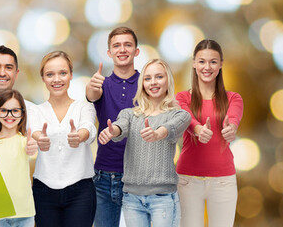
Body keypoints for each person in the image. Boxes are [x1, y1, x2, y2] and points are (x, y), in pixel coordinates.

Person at [98, 59, 190, 227]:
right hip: (132, 198)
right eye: (148, 78)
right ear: (142, 84)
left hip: (163, 197)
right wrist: (113, 131)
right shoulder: (130, 114)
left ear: (168, 80)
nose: (153, 82)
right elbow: (121, 126)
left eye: (159, 77)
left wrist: (158, 133)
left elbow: (172, 127)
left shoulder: (178, 114)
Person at [175, 39, 243, 227]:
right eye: (202, 61)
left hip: (223, 182)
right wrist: (197, 129)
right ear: (194, 63)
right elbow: (185, 117)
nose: (207, 67)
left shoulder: (233, 98)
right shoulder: (182, 98)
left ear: (221, 64)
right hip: (187, 181)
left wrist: (231, 129)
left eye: (213, 61)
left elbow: (234, 117)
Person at [28, 51, 97, 226]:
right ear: (43, 78)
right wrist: (39, 138)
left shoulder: (84, 107)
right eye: (50, 74)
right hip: (43, 190)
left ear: (71, 75)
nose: (56, 79)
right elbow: (35, 130)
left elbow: (88, 128)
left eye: (63, 73)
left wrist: (79, 137)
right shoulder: (35, 110)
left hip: (81, 190)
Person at [86, 27, 140, 227]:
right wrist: (91, 87)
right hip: (104, 178)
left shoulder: (147, 84)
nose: (122, 49)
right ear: (109, 53)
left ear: (136, 51)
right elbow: (92, 95)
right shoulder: (101, 84)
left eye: (128, 44)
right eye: (116, 45)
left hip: (139, 177)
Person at [0, 89, 37, 227]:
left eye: (15, 111)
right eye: (4, 110)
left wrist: (32, 146)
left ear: (22, 114)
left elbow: (31, 149)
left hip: (24, 213)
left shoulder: (25, 142)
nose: (9, 115)